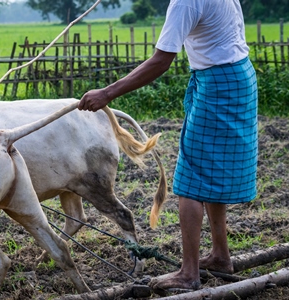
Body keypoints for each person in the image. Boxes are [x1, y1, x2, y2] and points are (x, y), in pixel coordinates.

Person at [78, 0, 258, 291]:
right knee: (208, 172)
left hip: (217, 83)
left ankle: (189, 273)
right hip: (235, 76)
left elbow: (162, 60)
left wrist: (107, 93)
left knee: (191, 180)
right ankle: (221, 256)